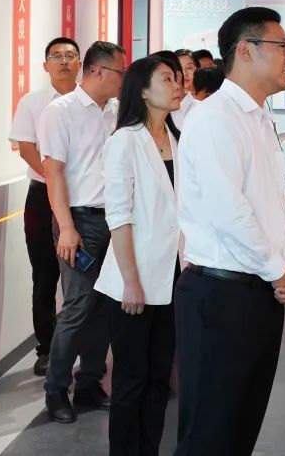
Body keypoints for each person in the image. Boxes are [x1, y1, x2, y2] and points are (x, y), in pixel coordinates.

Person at [174, 7, 285, 455]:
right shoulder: (215, 117)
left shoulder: (258, 117)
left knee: (240, 428)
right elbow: (227, 210)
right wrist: (277, 269)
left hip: (259, 292)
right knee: (209, 433)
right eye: (282, 46)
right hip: (221, 295)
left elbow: (278, 200)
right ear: (245, 50)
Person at [94, 56, 183, 456]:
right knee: (131, 380)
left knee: (159, 379)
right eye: (167, 79)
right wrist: (131, 281)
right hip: (134, 281)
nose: (177, 85)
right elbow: (119, 217)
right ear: (143, 91)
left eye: (178, 78)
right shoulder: (125, 141)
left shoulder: (178, 139)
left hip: (173, 276)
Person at [39, 41, 126, 423]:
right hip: (79, 224)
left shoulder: (117, 112)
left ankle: (90, 383)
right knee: (77, 306)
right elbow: (53, 173)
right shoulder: (61, 112)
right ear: (97, 71)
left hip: (114, 221)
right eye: (120, 72)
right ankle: (56, 390)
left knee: (103, 307)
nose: (123, 80)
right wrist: (66, 228)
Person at [8, 36, 80, 377]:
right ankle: (47, 348)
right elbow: (26, 149)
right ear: (45, 65)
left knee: (83, 275)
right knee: (45, 274)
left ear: (80, 63)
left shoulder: (95, 102)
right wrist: (54, 182)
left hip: (83, 198)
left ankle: (85, 348)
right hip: (42, 196)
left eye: (70, 55)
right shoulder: (32, 102)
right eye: (57, 56)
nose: (64, 61)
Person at [170, 50, 198, 130]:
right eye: (179, 68)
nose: (184, 73)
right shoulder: (164, 110)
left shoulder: (202, 108)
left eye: (189, 68)